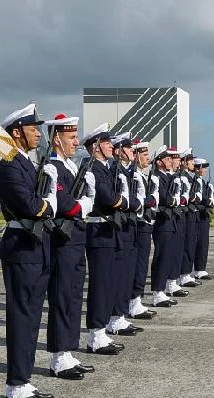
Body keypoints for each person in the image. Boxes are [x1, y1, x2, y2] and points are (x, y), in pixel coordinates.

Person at [0, 103, 57, 398]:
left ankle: (25, 380)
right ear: (16, 132)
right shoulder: (8, 166)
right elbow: (31, 206)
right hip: (21, 246)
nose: (38, 135)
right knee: (21, 317)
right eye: (33, 129)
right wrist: (50, 202)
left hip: (36, 245)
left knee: (32, 317)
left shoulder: (28, 164)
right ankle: (16, 385)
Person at [44, 113, 97, 379]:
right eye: (71, 137)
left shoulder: (71, 167)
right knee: (62, 296)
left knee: (75, 295)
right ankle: (57, 355)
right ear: (56, 139)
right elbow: (66, 205)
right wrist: (86, 203)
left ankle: (67, 351)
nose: (76, 141)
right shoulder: (53, 167)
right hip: (63, 242)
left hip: (76, 239)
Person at [83, 123, 126, 355]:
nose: (112, 146)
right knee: (100, 285)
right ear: (96, 146)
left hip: (108, 232)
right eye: (108, 143)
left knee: (108, 283)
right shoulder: (93, 169)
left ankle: (101, 332)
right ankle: (95, 335)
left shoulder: (105, 168)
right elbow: (109, 198)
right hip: (98, 233)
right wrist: (124, 201)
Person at [107, 132, 144, 337]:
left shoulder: (127, 171)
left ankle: (120, 316)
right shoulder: (115, 171)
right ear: (120, 151)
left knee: (126, 274)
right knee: (119, 276)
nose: (133, 152)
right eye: (129, 149)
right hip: (119, 228)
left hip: (129, 226)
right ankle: (114, 318)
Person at [128, 139, 158, 319]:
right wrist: (150, 200)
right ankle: (134, 301)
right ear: (136, 155)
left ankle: (136, 299)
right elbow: (140, 201)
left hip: (145, 223)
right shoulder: (133, 175)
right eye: (144, 154)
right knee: (138, 264)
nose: (147, 158)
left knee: (142, 264)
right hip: (139, 225)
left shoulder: (142, 175)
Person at [149, 146, 182, 308]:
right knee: (162, 256)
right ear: (159, 162)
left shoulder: (167, 177)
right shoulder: (156, 177)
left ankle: (164, 287)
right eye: (167, 159)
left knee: (169, 255)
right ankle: (157, 292)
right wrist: (174, 200)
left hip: (170, 220)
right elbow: (165, 198)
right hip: (162, 222)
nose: (170, 161)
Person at [177, 148, 201, 288]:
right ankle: (183, 274)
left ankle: (186, 273)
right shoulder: (182, 176)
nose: (193, 163)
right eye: (191, 160)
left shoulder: (189, 177)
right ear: (184, 162)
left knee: (190, 244)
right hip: (186, 213)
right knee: (186, 245)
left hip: (191, 212)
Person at [192, 158, 214, 280]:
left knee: (203, 243)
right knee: (193, 243)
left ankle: (200, 268)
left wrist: (209, 202)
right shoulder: (193, 182)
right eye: (203, 167)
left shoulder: (206, 184)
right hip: (196, 215)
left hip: (204, 216)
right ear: (197, 168)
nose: (205, 170)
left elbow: (209, 200)